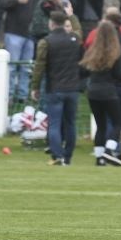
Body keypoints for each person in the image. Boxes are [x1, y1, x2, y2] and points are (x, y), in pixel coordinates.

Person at [30, 9, 83, 166]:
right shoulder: (75, 38)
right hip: (73, 88)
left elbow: (39, 66)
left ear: (51, 24)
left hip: (55, 88)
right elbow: (78, 30)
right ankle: (68, 156)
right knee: (71, 123)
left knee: (54, 123)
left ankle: (57, 155)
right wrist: (72, 15)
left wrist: (35, 87)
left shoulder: (46, 42)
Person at [82, 15, 121, 165]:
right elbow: (119, 74)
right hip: (108, 91)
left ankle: (99, 158)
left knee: (101, 125)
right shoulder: (114, 53)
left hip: (92, 91)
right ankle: (109, 150)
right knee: (118, 122)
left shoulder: (92, 51)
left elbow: (84, 70)